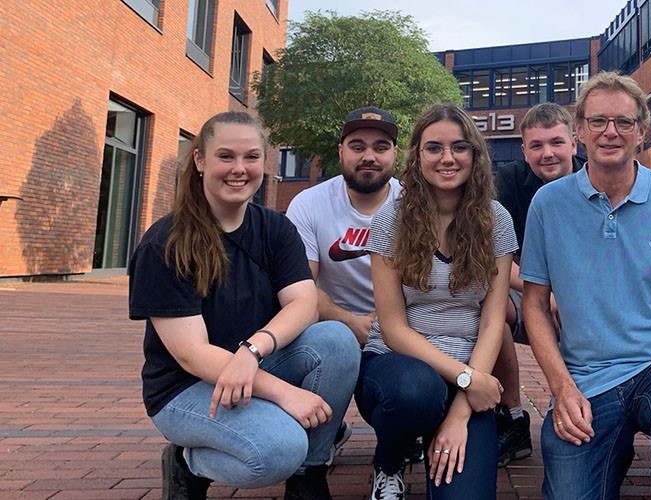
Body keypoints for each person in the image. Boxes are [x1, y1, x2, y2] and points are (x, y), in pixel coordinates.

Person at [129, 111, 359, 500]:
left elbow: (304, 304)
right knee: (278, 448)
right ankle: (188, 463)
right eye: (226, 157)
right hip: (185, 388)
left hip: (253, 364)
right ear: (200, 161)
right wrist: (285, 393)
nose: (240, 169)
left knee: (335, 339)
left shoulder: (275, 227)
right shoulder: (164, 244)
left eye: (251, 157)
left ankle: (309, 474)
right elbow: (191, 354)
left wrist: (254, 351)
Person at [520, 72, 651, 499]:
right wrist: (561, 387)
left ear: (642, 133)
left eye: (624, 122)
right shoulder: (548, 204)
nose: (610, 132)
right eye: (598, 121)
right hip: (586, 378)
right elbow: (535, 305)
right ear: (579, 130)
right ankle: (612, 450)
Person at [356, 103, 515, 500]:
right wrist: (466, 378)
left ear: (474, 156)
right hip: (399, 368)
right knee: (416, 392)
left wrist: (464, 406)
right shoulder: (390, 221)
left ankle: (445, 433)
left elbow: (494, 321)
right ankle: (389, 463)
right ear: (418, 156)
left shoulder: (496, 220)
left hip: (468, 374)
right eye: (434, 148)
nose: (447, 158)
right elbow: (392, 328)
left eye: (460, 147)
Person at [285, 107, 410, 462]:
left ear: (394, 155)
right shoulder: (309, 203)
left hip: (401, 324)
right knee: (309, 335)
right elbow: (299, 286)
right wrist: (348, 321)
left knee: (412, 392)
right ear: (340, 151)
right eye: (357, 146)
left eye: (381, 146)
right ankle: (323, 434)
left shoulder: (415, 204)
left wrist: (389, 324)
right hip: (329, 326)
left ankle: (412, 428)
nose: (369, 156)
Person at [491, 102, 583, 467]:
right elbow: (495, 260)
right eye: (537, 145)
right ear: (524, 150)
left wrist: (571, 295)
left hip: (587, 290)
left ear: (574, 144)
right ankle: (512, 417)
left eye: (556, 143)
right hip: (527, 284)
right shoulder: (510, 181)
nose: (548, 154)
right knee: (489, 304)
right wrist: (544, 294)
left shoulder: (597, 178)